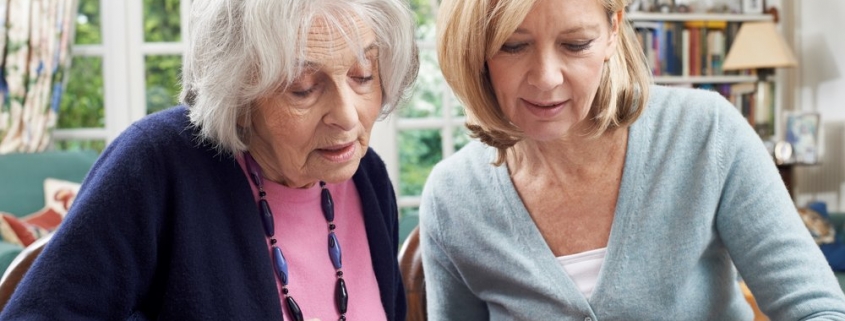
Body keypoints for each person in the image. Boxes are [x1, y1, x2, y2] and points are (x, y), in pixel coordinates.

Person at [419, 0, 845, 319]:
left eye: (575, 44)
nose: (546, 77)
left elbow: (816, 308)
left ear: (612, 31)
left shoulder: (704, 133)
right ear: (477, 50)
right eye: (514, 46)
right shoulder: (453, 196)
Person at [0, 0, 418, 320]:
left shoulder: (367, 177)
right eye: (304, 88)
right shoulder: (157, 165)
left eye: (363, 76)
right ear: (238, 92)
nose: (347, 115)